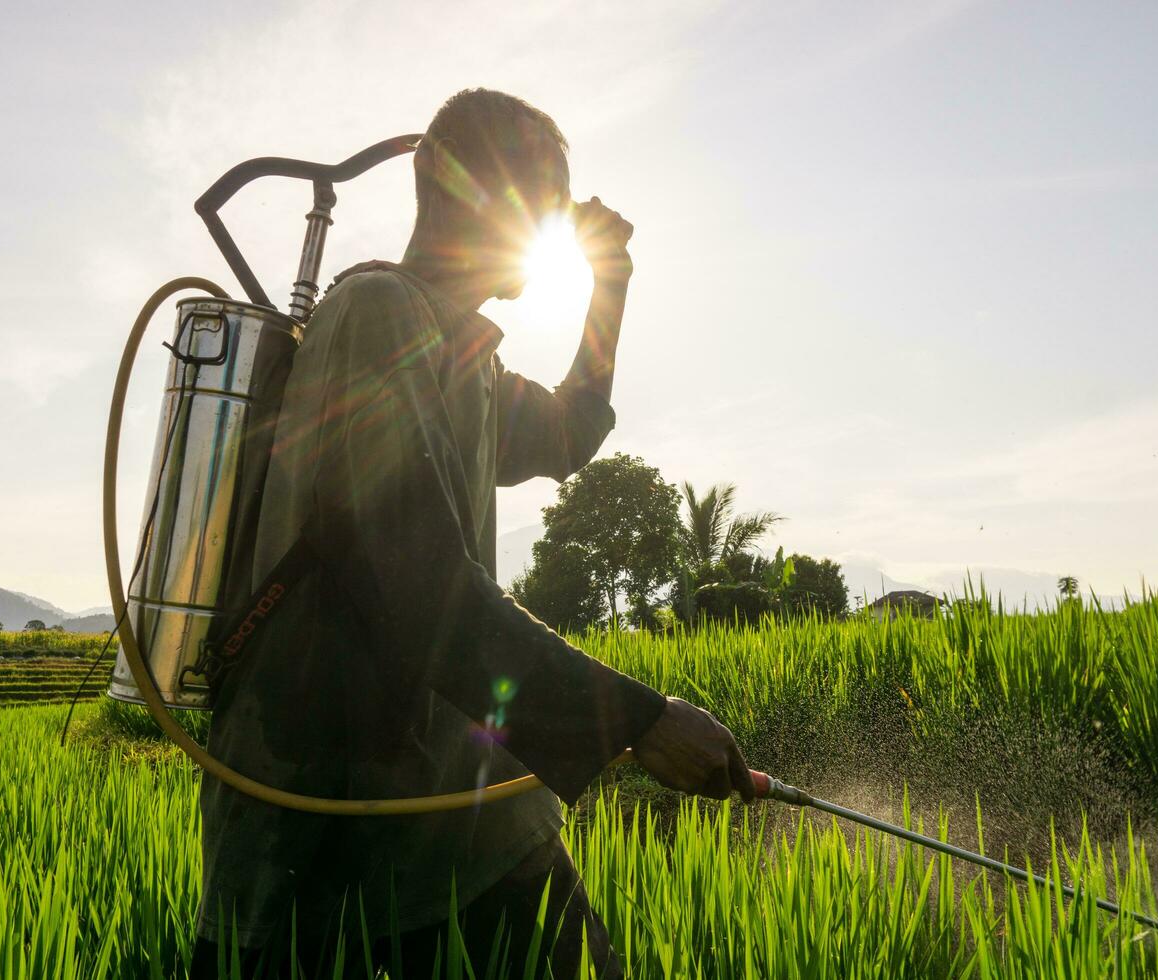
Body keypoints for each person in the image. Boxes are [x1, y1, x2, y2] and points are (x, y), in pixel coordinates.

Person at [190, 88, 754, 979]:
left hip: (450, 800)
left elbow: (569, 433)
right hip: (323, 809)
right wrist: (635, 719)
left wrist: (607, 289)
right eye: (547, 200)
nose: (555, 222)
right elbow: (415, 578)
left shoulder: (463, 357)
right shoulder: (377, 317)